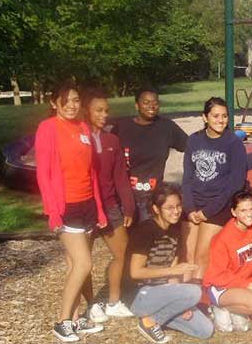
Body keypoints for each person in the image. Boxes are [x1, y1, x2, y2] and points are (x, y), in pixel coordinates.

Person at [35, 83, 106, 342]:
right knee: (84, 263)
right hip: (66, 206)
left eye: (76, 100)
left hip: (87, 203)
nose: (72, 105)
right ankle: (63, 321)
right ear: (54, 103)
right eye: (65, 101)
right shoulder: (48, 128)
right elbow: (43, 173)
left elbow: (92, 172)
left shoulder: (84, 127)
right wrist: (53, 211)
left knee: (76, 264)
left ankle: (76, 320)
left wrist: (98, 207)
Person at [128, 184, 214, 343]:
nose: (176, 211)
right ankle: (148, 323)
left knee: (205, 330)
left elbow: (172, 277)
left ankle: (154, 318)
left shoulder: (174, 231)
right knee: (194, 292)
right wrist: (173, 271)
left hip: (163, 293)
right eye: (169, 207)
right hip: (140, 295)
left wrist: (183, 304)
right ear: (156, 208)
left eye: (178, 206)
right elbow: (136, 272)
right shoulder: (145, 231)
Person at [81, 87, 136, 322]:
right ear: (87, 111)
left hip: (111, 206)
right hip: (84, 208)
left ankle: (114, 301)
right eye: (99, 110)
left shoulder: (112, 139)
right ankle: (91, 304)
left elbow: (120, 177)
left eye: (107, 110)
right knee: (83, 261)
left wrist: (129, 206)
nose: (104, 115)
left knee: (123, 253)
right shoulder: (79, 138)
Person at [182, 97, 248, 281]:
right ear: (205, 117)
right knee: (187, 256)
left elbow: (235, 185)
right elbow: (187, 177)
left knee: (201, 256)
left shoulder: (234, 144)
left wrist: (207, 212)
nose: (221, 120)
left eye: (225, 116)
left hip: (218, 206)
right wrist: (190, 209)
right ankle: (183, 301)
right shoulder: (194, 140)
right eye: (216, 116)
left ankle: (198, 302)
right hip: (194, 204)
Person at [203, 190, 252, 333]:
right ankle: (219, 308)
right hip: (221, 286)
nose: (249, 214)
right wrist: (250, 286)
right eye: (243, 210)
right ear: (234, 212)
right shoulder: (223, 238)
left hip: (244, 282)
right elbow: (218, 275)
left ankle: (237, 312)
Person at [113, 87, 188, 221]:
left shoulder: (166, 127)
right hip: (126, 197)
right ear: (137, 105)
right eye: (146, 102)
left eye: (155, 102)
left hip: (154, 197)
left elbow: (191, 147)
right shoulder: (122, 127)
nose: (151, 106)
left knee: (152, 237)